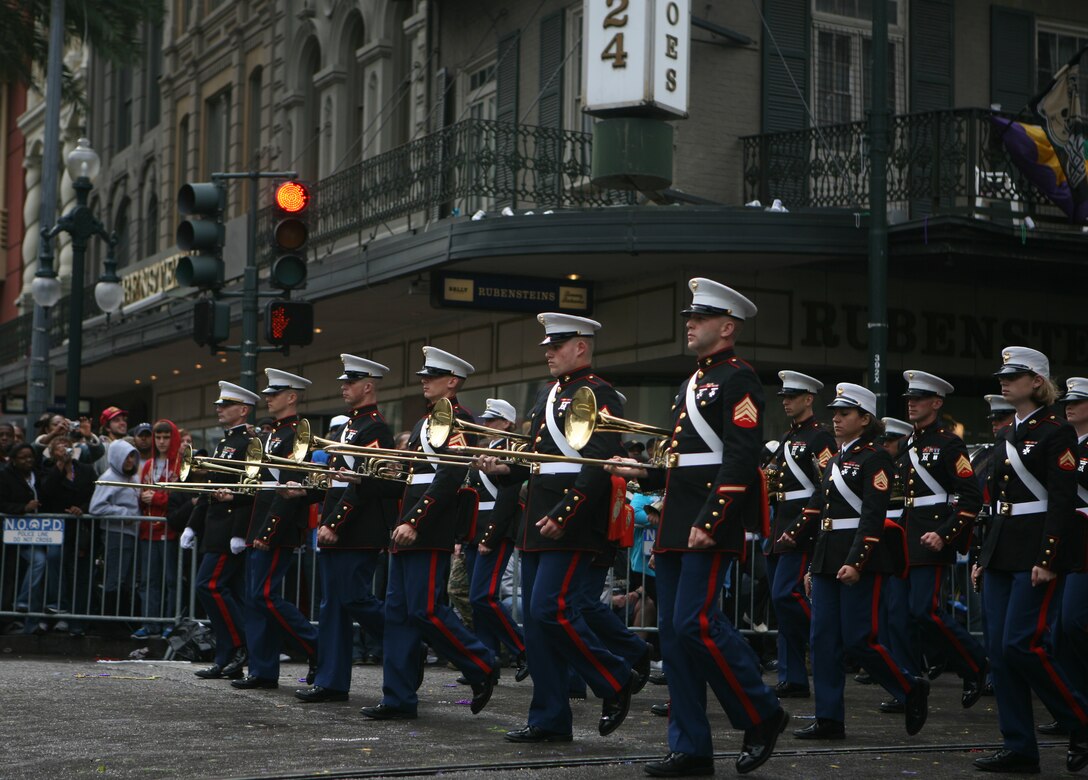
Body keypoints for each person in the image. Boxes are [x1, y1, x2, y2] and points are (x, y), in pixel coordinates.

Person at [608, 281, 788, 776]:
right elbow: (685, 462)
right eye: (690, 316)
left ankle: (762, 711)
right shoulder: (692, 382)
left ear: (727, 327)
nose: (689, 323)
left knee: (696, 623)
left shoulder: (739, 379)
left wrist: (712, 520)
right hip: (675, 521)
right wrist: (643, 471)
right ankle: (690, 747)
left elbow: (741, 456)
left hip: (709, 520)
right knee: (673, 632)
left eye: (700, 317)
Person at [477, 314, 638, 745]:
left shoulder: (600, 393)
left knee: (551, 611)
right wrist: (504, 468)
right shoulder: (546, 394)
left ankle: (615, 676)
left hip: (572, 522)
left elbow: (598, 464)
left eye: (557, 345)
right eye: (548, 345)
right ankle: (548, 716)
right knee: (535, 620)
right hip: (538, 520)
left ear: (581, 347)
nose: (548, 352)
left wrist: (564, 514)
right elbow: (536, 460)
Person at [781, 382, 929, 742]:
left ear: (865, 419)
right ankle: (829, 718)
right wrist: (814, 567)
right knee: (822, 638)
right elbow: (824, 516)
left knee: (859, 639)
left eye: (844, 413)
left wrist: (856, 561)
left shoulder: (875, 457)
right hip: (829, 556)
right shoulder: (835, 460)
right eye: (834, 413)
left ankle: (909, 687)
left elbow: (873, 516)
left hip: (860, 556)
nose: (836, 419)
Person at [360, 347, 496, 721]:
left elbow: (449, 477)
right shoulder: (426, 420)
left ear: (452, 382)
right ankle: (398, 697)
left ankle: (482, 662)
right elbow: (417, 478)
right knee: (399, 615)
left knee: (426, 610)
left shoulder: (459, 419)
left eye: (431, 375)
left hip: (430, 526)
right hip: (410, 523)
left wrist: (415, 521)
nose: (423, 380)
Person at [973, 347, 1088, 774]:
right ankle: (1019, 746)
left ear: (1036, 382)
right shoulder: (1010, 433)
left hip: (1035, 553)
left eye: (1014, 375)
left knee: (1022, 645)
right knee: (1000, 655)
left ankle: (1079, 716)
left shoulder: (1057, 432)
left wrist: (1049, 557)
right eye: (1003, 374)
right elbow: (1001, 502)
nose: (1004, 381)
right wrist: (984, 557)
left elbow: (1060, 502)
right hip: (1003, 551)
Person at [295, 355, 397, 703]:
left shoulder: (376, 429)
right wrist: (309, 492)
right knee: (332, 605)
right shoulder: (348, 428)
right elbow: (339, 483)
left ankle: (404, 640)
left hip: (358, 528)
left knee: (355, 598)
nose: (344, 386)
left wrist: (334, 524)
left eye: (350, 382)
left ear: (368, 386)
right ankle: (332, 680)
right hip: (339, 524)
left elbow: (365, 484)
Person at [896, 370, 987, 710]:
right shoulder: (909, 442)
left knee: (925, 611)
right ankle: (911, 683)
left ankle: (975, 663)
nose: (911, 404)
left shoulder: (950, 443)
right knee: (901, 614)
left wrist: (946, 534)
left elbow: (970, 497)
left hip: (932, 535)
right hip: (909, 534)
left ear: (936, 403)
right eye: (909, 399)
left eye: (918, 399)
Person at [232, 369, 320, 691]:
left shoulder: (297, 434)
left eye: (275, 393)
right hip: (262, 523)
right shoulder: (271, 434)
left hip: (278, 527)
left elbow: (289, 486)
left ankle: (315, 644)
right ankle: (262, 669)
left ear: (292, 397)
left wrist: (268, 532)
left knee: (264, 595)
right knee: (255, 600)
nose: (268, 397)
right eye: (268, 393)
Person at [767, 370, 836, 700]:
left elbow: (826, 486)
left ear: (809, 399)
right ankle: (791, 676)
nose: (786, 402)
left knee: (786, 595)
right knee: (781, 607)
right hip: (780, 524)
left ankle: (828, 639)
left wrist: (800, 527)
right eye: (784, 397)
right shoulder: (787, 438)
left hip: (801, 528)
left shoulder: (820, 438)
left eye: (792, 397)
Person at [184, 381, 258, 680]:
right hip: (216, 528)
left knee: (209, 586)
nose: (218, 409)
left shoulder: (248, 443)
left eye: (225, 405)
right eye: (219, 404)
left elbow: (249, 489)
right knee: (230, 592)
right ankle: (227, 656)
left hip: (230, 529)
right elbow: (211, 487)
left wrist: (239, 532)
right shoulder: (225, 442)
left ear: (243, 410)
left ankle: (240, 645)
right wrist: (192, 524)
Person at [459, 398, 528, 683]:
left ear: (507, 423)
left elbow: (508, 497)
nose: (486, 425)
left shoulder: (513, 450)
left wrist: (490, 535)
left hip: (496, 531)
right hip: (476, 530)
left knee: (483, 596)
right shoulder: (485, 449)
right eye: (485, 420)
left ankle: (524, 649)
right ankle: (487, 661)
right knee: (477, 602)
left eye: (492, 420)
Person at [40, 435, 97, 633]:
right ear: (52, 451)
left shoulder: (85, 469)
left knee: (78, 572)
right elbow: (46, 491)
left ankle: (76, 618)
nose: (64, 449)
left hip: (79, 528)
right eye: (59, 446)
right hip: (56, 526)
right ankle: (58, 607)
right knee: (55, 560)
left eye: (67, 445)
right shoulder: (47, 469)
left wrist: (81, 508)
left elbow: (93, 493)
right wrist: (59, 467)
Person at [1057, 377, 1088, 730]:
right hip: (1065, 540)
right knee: (1057, 630)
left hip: (1085, 540)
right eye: (1068, 400)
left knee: (1074, 621)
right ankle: (1073, 703)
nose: (1070, 405)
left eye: (1078, 401)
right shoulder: (1062, 443)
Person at [90, 439, 141, 619]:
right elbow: (95, 507)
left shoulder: (133, 477)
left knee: (127, 578)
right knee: (115, 577)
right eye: (127, 458)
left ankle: (124, 617)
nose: (130, 462)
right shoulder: (109, 477)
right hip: (116, 533)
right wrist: (123, 513)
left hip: (133, 533)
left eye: (133, 457)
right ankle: (109, 619)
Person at [2, 443, 49, 632]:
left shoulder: (38, 474)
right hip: (15, 533)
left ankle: (31, 622)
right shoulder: (5, 476)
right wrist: (23, 508)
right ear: (13, 460)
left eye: (30, 456)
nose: (28, 460)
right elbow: (3, 503)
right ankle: (21, 603)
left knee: (40, 569)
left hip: (41, 532)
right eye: (23, 457)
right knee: (38, 562)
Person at [95, 406, 129, 476]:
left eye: (123, 420)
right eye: (117, 420)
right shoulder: (103, 447)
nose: (122, 423)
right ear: (107, 428)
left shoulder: (128, 445)